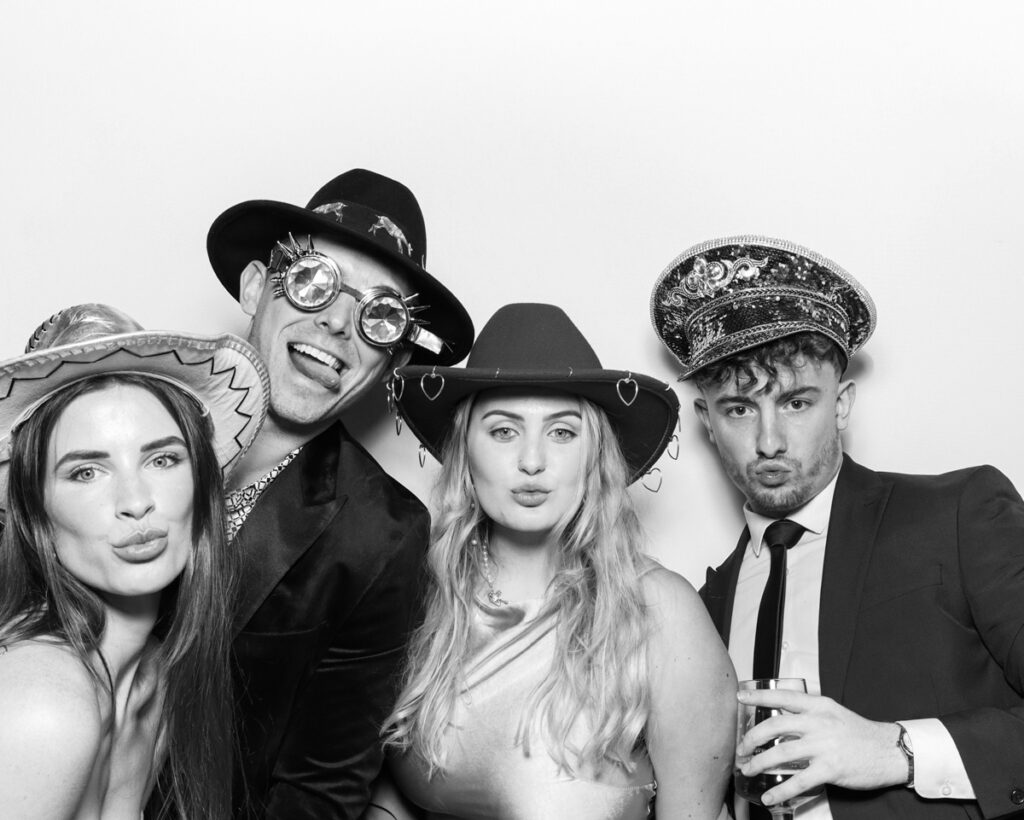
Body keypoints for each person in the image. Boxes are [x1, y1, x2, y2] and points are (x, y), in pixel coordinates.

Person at [650, 235, 1024, 820]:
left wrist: (898, 749)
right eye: (739, 409)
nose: (769, 441)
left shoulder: (957, 516)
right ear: (706, 420)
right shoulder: (701, 608)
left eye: (797, 403)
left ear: (843, 404)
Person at [371, 303, 735, 819]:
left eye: (562, 432)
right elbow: (384, 794)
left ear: (595, 456)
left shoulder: (660, 611)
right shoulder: (418, 590)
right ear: (464, 452)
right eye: (503, 431)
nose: (533, 461)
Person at [205, 168, 475, 818]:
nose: (335, 323)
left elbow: (319, 792)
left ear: (396, 359)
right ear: (253, 288)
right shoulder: (117, 423)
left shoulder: (383, 534)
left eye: (379, 316)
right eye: (313, 281)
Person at [0, 303, 269, 819]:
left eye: (162, 458)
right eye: (86, 472)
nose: (136, 499)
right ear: (36, 513)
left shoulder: (155, 682)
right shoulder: (41, 705)